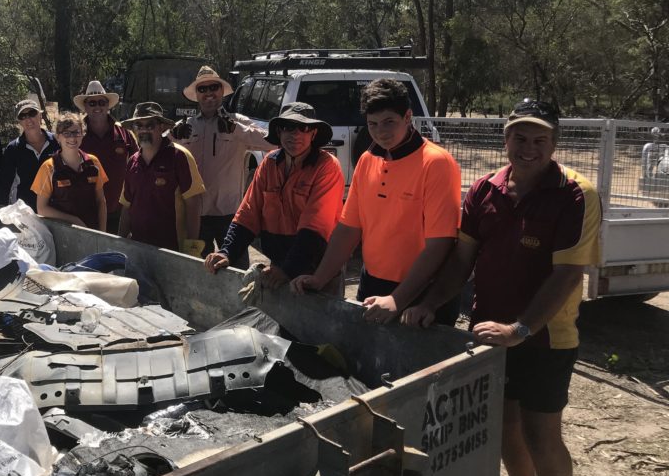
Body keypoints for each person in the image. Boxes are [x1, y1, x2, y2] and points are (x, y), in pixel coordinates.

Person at [403, 99, 600, 476]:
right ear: (504, 138)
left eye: (540, 140)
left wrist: (521, 327)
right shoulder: (485, 190)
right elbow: (461, 261)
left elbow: (568, 275)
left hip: (546, 337)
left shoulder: (575, 193)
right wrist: (431, 303)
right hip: (489, 335)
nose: (528, 148)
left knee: (541, 432)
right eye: (519, 137)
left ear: (555, 144)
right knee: (506, 427)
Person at [290, 78, 462, 324]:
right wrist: (320, 277)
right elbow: (349, 228)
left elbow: (440, 244)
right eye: (373, 124)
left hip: (420, 293)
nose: (381, 132)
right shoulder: (367, 160)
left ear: (408, 117)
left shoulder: (436, 163)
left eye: (389, 122)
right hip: (371, 284)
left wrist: (397, 299)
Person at [204, 103, 344, 288]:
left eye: (304, 127)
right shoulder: (268, 164)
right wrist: (226, 252)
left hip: (317, 267)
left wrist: (288, 270)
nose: (295, 134)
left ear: (314, 133)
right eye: (288, 127)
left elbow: (316, 226)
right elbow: (248, 213)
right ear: (279, 132)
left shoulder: (327, 166)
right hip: (280, 265)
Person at [170, 65, 274, 265]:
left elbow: (272, 141)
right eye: (202, 89)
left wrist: (235, 129)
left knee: (237, 270)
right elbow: (161, 147)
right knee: (198, 270)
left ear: (221, 92)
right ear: (197, 95)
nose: (209, 93)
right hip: (196, 214)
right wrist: (174, 137)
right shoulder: (186, 125)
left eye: (213, 87)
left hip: (231, 213)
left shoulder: (238, 122)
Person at [118, 102, 206, 253]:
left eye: (150, 125)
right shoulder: (132, 161)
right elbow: (127, 206)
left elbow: (194, 203)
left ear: (162, 128)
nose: (144, 130)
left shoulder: (179, 156)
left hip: (173, 251)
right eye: (138, 125)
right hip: (138, 248)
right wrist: (119, 241)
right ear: (133, 130)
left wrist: (192, 248)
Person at [76, 80, 138, 233]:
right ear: (85, 106)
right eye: (92, 103)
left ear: (108, 105)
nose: (97, 107)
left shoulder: (124, 133)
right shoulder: (75, 134)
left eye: (101, 102)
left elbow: (138, 164)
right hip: (84, 210)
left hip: (119, 210)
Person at [30, 112, 108, 230]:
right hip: (63, 235)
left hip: (93, 233)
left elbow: (101, 201)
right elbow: (41, 209)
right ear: (58, 137)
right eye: (66, 133)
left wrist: (103, 234)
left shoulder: (93, 162)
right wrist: (74, 221)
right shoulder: (48, 167)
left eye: (76, 132)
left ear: (83, 134)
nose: (72, 138)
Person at [0, 98, 59, 210]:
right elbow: (5, 185)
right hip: (26, 214)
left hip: (56, 210)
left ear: (40, 115)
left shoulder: (57, 142)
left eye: (32, 113)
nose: (28, 120)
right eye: (23, 116)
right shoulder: (13, 149)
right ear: (19, 121)